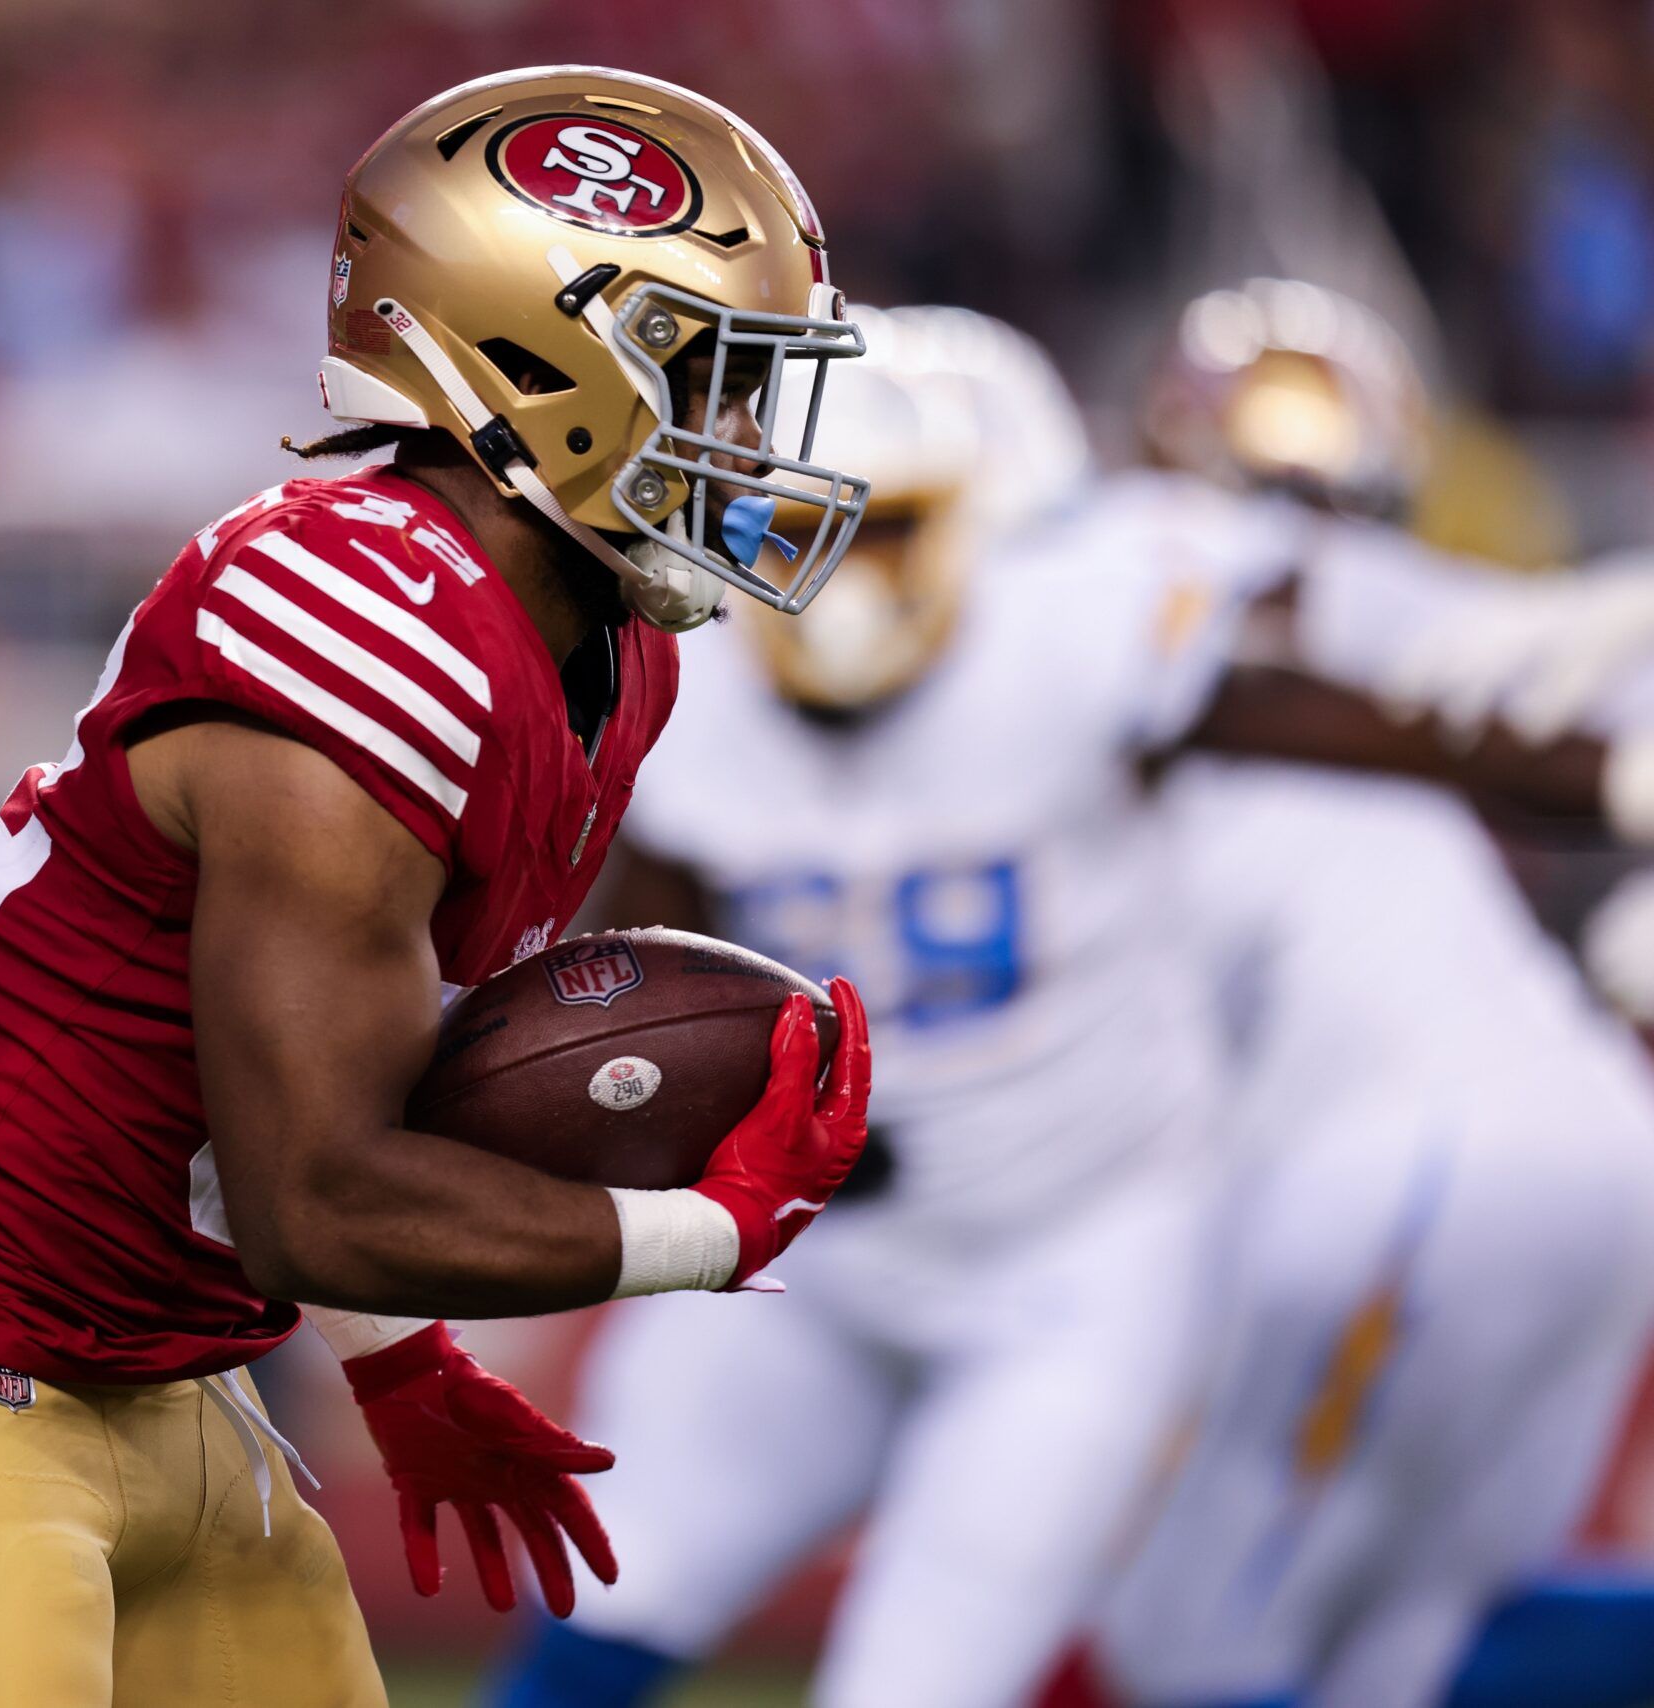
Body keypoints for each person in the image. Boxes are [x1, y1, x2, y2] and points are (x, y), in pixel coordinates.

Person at [0, 67, 880, 1708]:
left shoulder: (607, 652)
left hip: (167, 1359)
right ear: (540, 359)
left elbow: (347, 1059)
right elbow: (314, 1190)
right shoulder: (366, 620)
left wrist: (401, 1358)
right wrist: (706, 1227)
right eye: (704, 381)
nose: (738, 444)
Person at [489, 288, 1654, 1708]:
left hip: (1071, 1277)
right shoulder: (686, 682)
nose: (832, 576)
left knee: (1004, 1670)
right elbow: (638, 990)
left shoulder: (1082, 638)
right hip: (819, 1259)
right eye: (787, 528)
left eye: (887, 527)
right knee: (608, 1594)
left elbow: (1385, 721)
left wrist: (1610, 780)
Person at [1089, 763, 1654, 1708]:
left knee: (1187, 1632)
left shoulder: (1132, 813)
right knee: (1424, 1617)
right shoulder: (1373, 769)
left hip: (1425, 1162)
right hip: (1614, 1150)